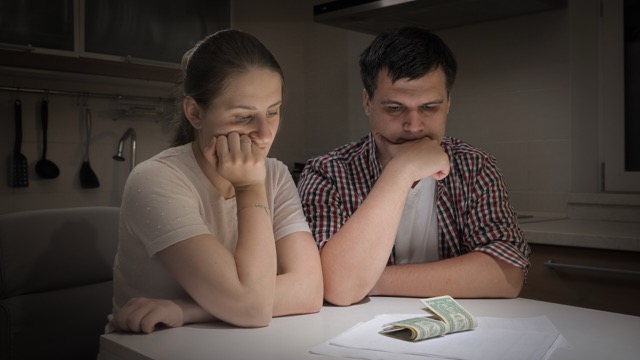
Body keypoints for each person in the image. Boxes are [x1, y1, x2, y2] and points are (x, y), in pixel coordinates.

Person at [297, 27, 530, 306]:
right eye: (395, 108)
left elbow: (506, 273)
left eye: (429, 107)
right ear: (367, 102)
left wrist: (369, 279)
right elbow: (338, 288)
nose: (414, 126)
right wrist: (401, 171)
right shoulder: (326, 173)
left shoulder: (474, 166)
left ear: (448, 104)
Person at [108, 29, 323, 333]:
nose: (265, 135)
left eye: (272, 112)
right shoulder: (155, 180)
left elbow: (309, 291)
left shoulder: (274, 174)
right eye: (243, 117)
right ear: (195, 113)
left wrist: (185, 310)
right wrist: (249, 188)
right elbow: (254, 310)